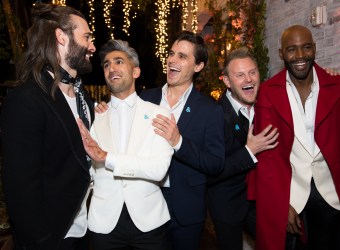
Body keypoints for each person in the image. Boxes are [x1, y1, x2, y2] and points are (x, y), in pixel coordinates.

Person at [246, 24, 340, 250]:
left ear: (315, 48)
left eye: (306, 47)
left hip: (337, 194)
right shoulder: (268, 92)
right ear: (281, 54)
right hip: (295, 196)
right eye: (291, 49)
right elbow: (268, 157)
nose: (300, 55)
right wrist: (281, 203)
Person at [0, 3, 95, 250]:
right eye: (86, 37)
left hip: (83, 230)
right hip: (50, 237)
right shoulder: (26, 99)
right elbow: (20, 187)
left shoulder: (84, 98)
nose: (92, 46)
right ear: (61, 37)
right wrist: (41, 241)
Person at [76, 39, 174, 250]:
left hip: (149, 222)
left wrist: (107, 158)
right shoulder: (94, 116)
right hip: (103, 223)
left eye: (119, 61)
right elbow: (88, 170)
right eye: (106, 64)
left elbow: (158, 169)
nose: (112, 68)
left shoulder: (160, 114)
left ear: (136, 71)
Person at [139, 30, 225, 250]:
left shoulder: (210, 110)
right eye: (171, 53)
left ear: (198, 66)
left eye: (182, 56)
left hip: (185, 211)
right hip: (145, 202)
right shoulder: (144, 99)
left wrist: (178, 142)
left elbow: (215, 163)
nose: (172, 60)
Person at [206, 46, 279, 250]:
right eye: (240, 75)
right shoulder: (213, 115)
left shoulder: (267, 104)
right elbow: (211, 172)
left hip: (263, 202)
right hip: (227, 206)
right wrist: (249, 151)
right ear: (227, 81)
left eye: (252, 72)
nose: (248, 79)